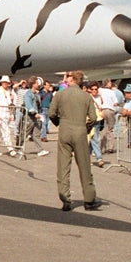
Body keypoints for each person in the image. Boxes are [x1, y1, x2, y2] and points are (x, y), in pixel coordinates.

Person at [48, 70, 101, 211]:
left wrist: (59, 122)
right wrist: (87, 128)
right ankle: (89, 200)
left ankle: (65, 199)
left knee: (63, 167)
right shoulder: (86, 96)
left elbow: (51, 113)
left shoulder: (59, 95)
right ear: (81, 82)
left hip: (64, 130)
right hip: (80, 131)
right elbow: (94, 118)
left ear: (72, 81)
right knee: (84, 166)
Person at [22, 77, 50, 157]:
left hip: (37, 116)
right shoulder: (28, 94)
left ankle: (40, 150)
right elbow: (28, 105)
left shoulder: (36, 94)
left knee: (37, 134)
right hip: (30, 117)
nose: (38, 84)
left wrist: (40, 114)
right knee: (25, 133)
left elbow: (38, 105)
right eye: (37, 83)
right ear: (33, 84)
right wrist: (34, 113)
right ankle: (18, 148)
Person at [0, 76, 17, 156]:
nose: (5, 83)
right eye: (4, 82)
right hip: (1, 113)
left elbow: (11, 102)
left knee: (2, 132)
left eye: (7, 82)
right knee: (6, 131)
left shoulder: (9, 90)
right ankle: (10, 149)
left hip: (8, 112)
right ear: (2, 83)